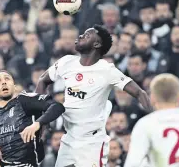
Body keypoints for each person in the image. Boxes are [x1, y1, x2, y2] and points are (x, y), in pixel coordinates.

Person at [35, 24, 151, 167]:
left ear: (96, 44)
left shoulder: (107, 70)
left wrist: (157, 119)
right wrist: (41, 117)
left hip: (92, 143)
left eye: (87, 35)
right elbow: (42, 81)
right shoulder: (66, 62)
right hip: (69, 138)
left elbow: (140, 93)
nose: (80, 36)